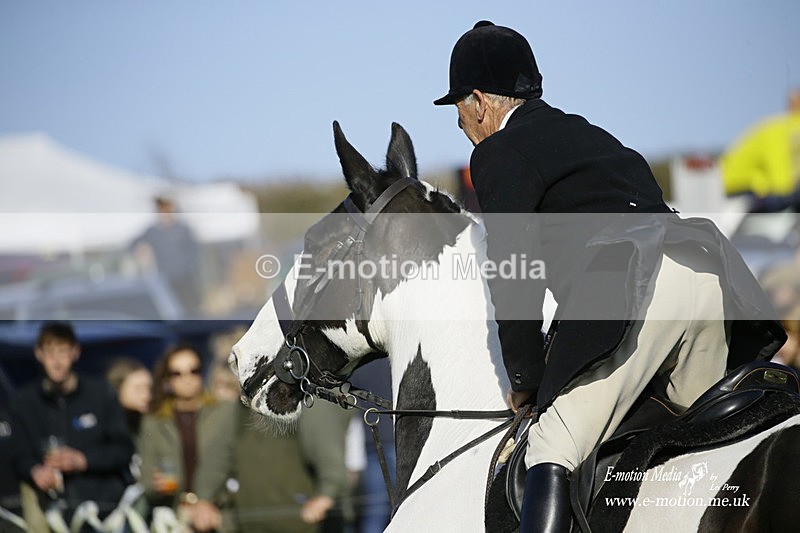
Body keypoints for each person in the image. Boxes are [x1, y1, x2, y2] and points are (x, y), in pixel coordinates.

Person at [433, 21, 787, 531]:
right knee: (698, 441)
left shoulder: (497, 152)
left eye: (460, 112)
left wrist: (525, 380)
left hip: (636, 283)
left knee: (551, 445)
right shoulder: (591, 134)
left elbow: (515, 274)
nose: (462, 127)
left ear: (479, 101)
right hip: (708, 272)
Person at [7, 322, 135, 526]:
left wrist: (83, 460)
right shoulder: (24, 402)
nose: (56, 361)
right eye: (50, 353)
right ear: (38, 354)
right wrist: (35, 470)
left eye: (63, 352)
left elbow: (123, 448)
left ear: (76, 352)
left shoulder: (101, 394)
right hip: (50, 510)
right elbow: (18, 453)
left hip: (102, 511)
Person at [138, 344, 237, 532]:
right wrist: (156, 485)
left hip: (218, 514)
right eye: (178, 373)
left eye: (194, 371)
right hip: (174, 516)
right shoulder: (154, 421)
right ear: (167, 379)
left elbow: (235, 466)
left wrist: (213, 503)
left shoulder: (224, 412)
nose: (187, 379)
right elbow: (146, 477)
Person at [721, 88, 800, 200]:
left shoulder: (781, 127)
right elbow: (781, 184)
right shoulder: (779, 130)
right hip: (739, 189)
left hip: (749, 187)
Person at [132, 196, 203, 313]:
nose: (165, 213)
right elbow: (134, 243)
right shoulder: (153, 231)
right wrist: (141, 249)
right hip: (165, 279)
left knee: (192, 308)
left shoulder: (182, 229)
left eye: (167, 209)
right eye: (161, 210)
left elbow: (195, 250)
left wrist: (187, 266)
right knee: (171, 309)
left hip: (185, 277)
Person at [106, 357, 153, 439]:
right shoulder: (105, 426)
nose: (147, 396)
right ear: (117, 389)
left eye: (149, 388)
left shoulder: (153, 421)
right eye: (139, 388)